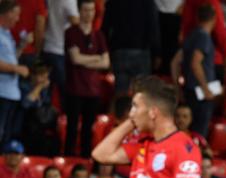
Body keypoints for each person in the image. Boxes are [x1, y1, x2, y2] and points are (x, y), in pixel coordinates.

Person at [64, 0, 110, 157]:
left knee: (88, 129)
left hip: (93, 90)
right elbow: (75, 59)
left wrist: (86, 60)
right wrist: (96, 58)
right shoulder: (71, 32)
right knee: (72, 128)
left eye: (91, 10)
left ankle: (85, 160)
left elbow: (106, 62)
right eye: (85, 10)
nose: (88, 14)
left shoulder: (98, 35)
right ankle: (69, 157)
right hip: (75, 88)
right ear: (79, 11)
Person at [174, 4, 216, 140]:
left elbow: (174, 63)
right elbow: (195, 63)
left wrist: (177, 87)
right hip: (200, 93)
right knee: (198, 134)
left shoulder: (191, 35)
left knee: (190, 131)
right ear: (214, 19)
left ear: (197, 18)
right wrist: (206, 88)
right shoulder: (203, 37)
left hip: (190, 89)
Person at [101, 0, 160, 94]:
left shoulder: (113, 2)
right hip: (141, 51)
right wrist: (156, 53)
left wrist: (107, 51)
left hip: (119, 51)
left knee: (121, 93)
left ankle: (121, 108)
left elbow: (105, 28)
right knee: (142, 93)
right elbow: (153, 28)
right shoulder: (147, 2)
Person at [0, 0, 29, 146]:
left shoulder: (7, 34)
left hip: (11, 93)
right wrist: (16, 69)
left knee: (7, 136)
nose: (18, 19)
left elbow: (11, 58)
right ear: (7, 14)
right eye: (16, 14)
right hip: (2, 93)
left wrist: (22, 46)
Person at [42, 0, 79, 105]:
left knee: (46, 90)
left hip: (47, 46)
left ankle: (44, 118)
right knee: (65, 93)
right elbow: (75, 22)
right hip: (60, 48)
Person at [19, 61, 59, 156]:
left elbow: (45, 108)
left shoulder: (45, 90)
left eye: (46, 77)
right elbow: (26, 104)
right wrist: (40, 87)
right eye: (42, 76)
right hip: (23, 127)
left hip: (39, 129)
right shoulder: (24, 86)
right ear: (33, 75)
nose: (45, 80)